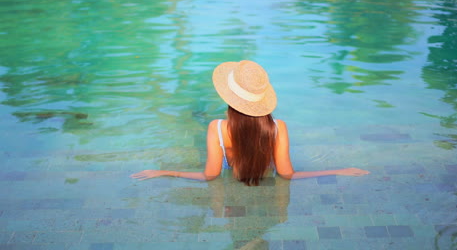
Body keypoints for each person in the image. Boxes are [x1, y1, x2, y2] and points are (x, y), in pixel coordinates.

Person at [131, 60, 369, 185]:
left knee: (199, 117)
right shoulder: (277, 127)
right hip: (260, 164)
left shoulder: (216, 128)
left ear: (229, 98)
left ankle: (196, 114)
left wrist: (164, 172)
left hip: (228, 158)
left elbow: (210, 176)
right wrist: (340, 170)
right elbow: (287, 174)